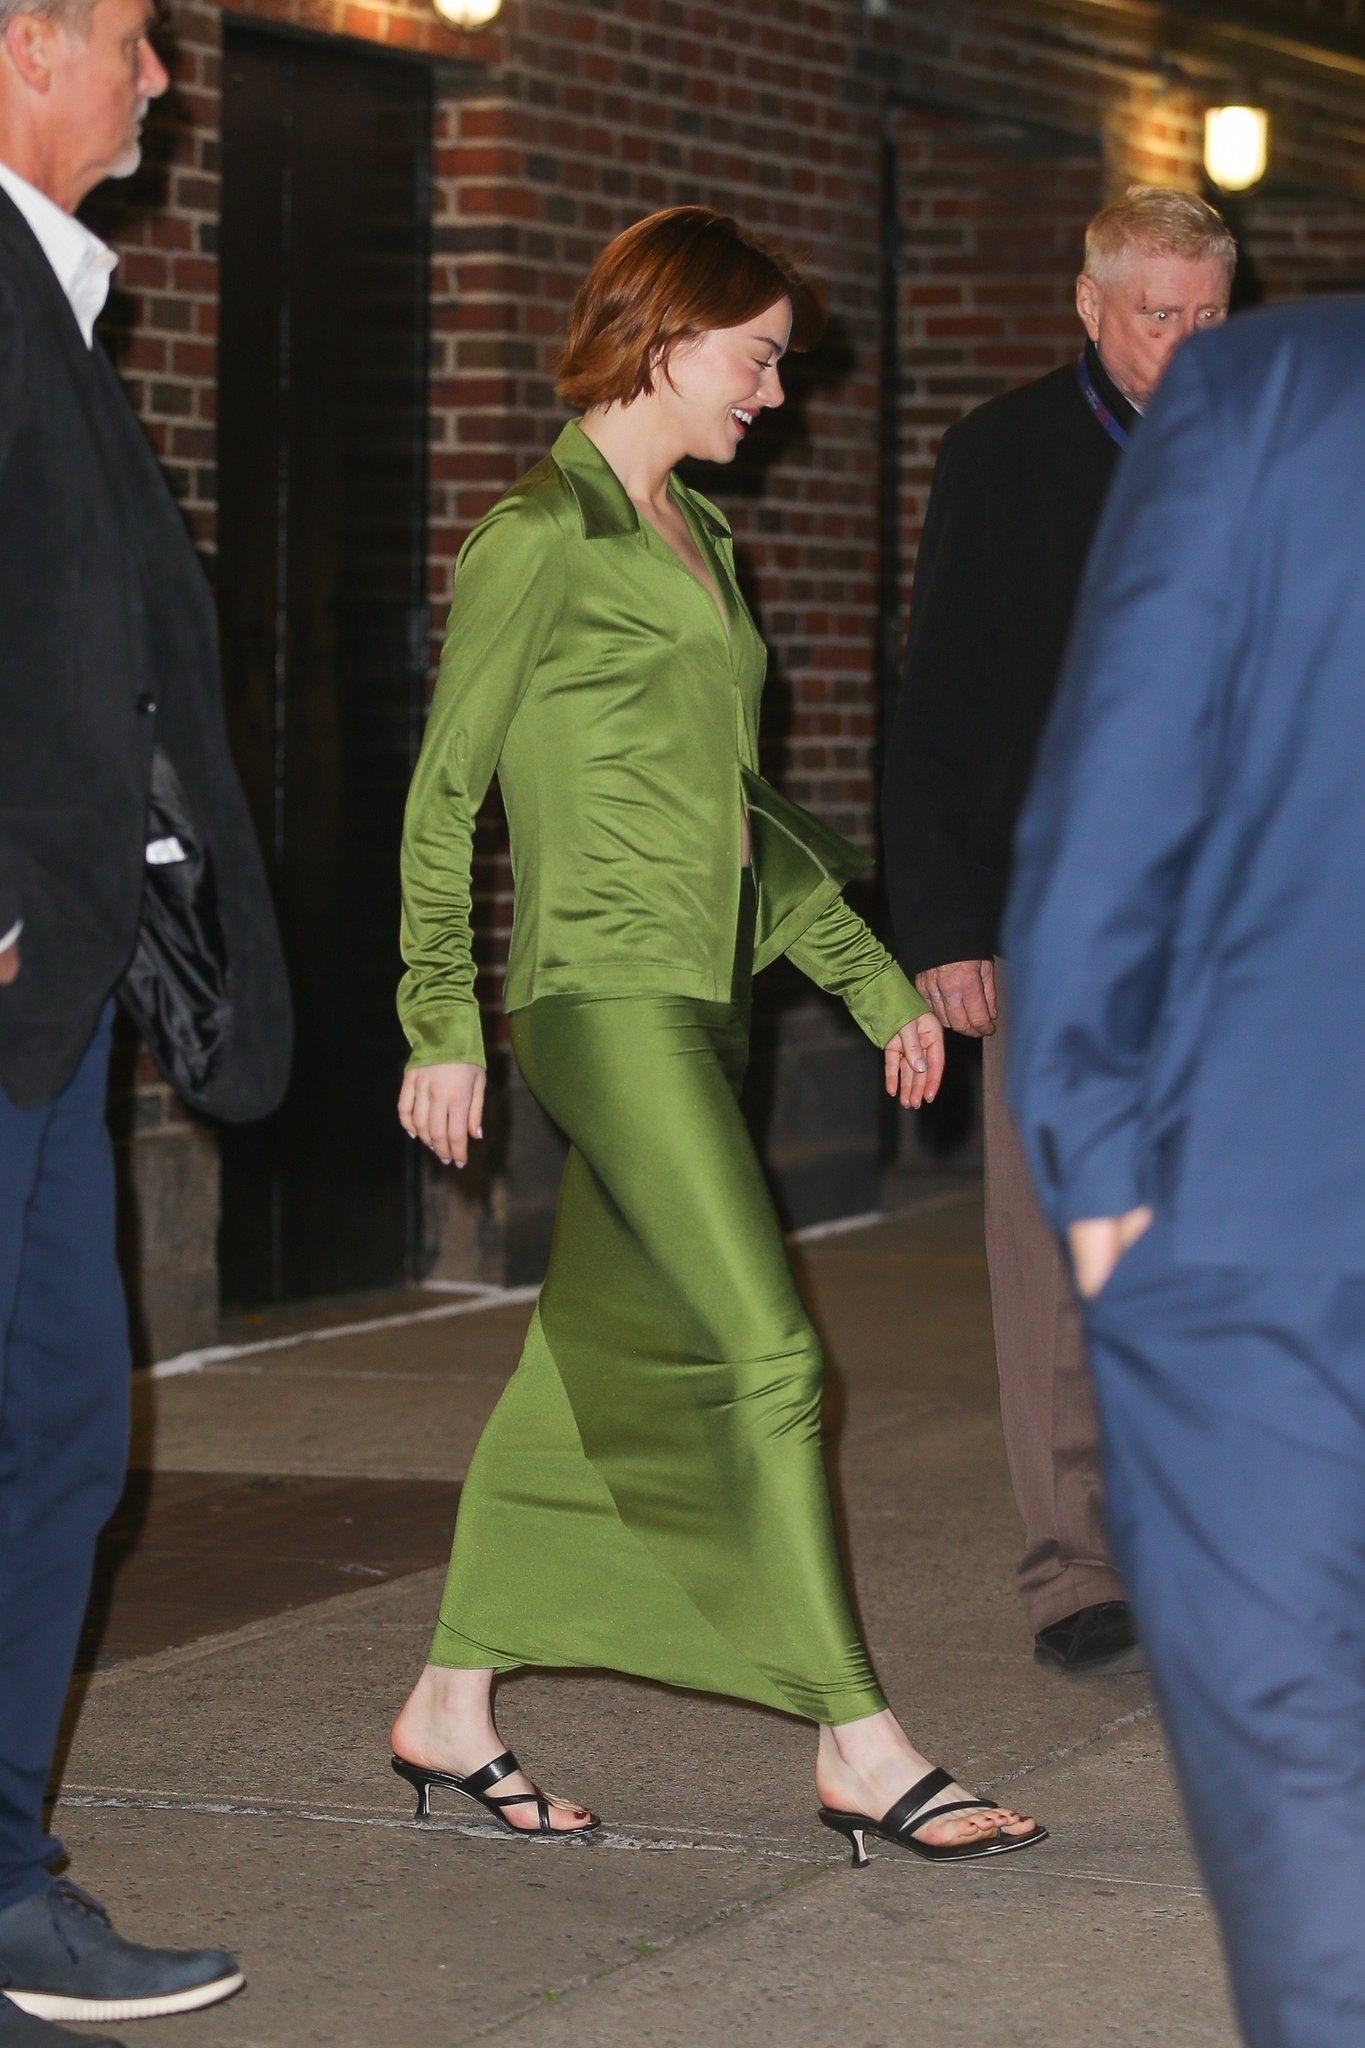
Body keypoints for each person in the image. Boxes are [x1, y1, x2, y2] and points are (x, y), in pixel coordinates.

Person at [387, 207, 1045, 1868]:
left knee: (580, 1372)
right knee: (771, 1357)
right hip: (597, 1002)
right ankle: (856, 1740)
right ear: (667, 338)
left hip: (704, 1003)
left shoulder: (700, 536)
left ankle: (448, 1707)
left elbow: (738, 812)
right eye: (756, 359)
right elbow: (444, 792)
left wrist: (873, 980)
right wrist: (439, 1018)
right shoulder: (537, 536)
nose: (774, 393)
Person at [1004, 295, 1365, 2047]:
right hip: (1260, 1239)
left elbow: (1112, 795)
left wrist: (1095, 1178)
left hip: (1262, 1239)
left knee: (1315, 1864)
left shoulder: (1267, 392)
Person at [0, 0, 291, 2041]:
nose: (164, 78)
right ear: (23, 45)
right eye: (132, 35)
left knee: (57, 1432)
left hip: (60, 995)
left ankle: (5, 1880)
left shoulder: (52, 291)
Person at [881, 186, 1235, 1672]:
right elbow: (939, 704)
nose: (1191, 343)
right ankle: (1074, 1567)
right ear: (1089, 306)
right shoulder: (1003, 456)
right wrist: (942, 923)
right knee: (1055, 1255)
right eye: (1161, 316)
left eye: (1212, 315)